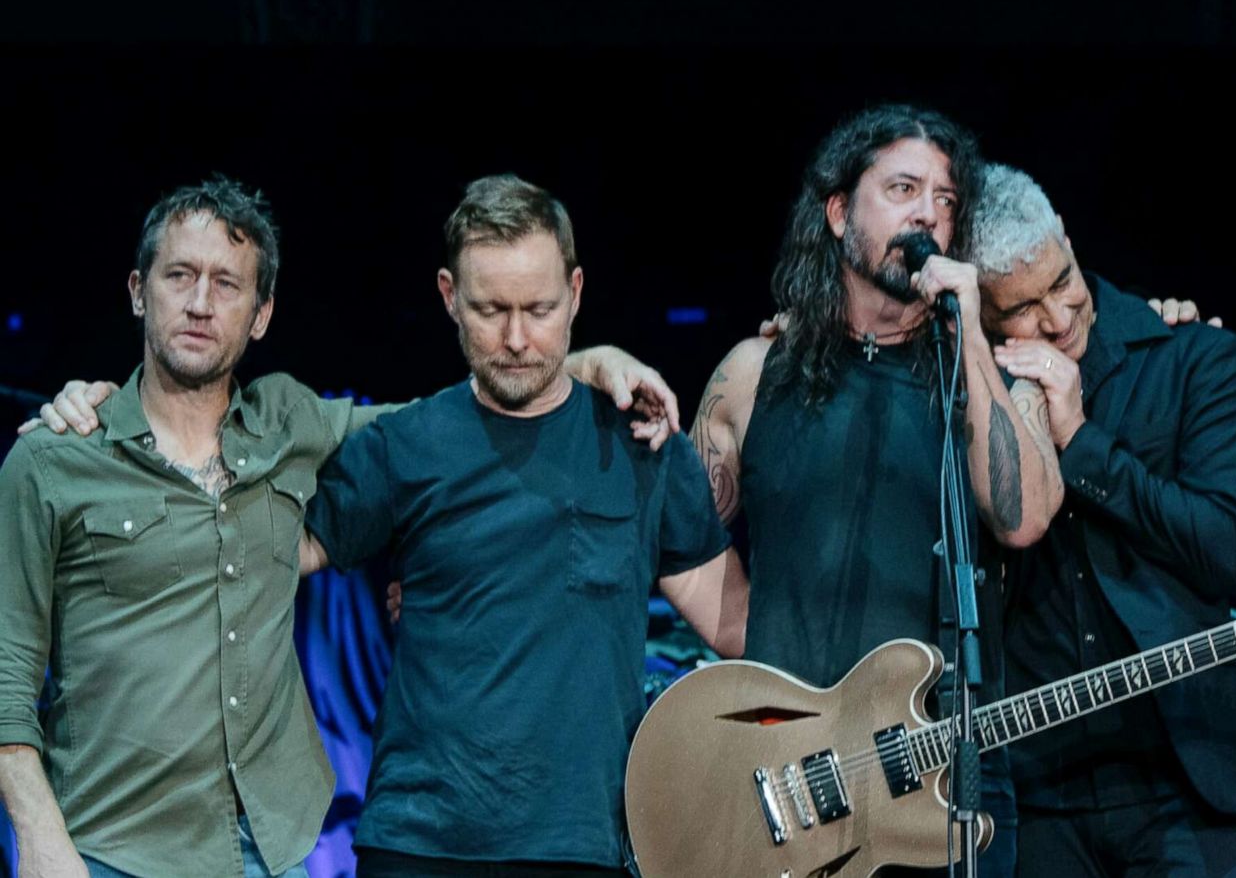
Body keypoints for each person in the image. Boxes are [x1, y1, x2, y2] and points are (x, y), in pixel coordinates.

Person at [297, 174, 743, 877]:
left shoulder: (643, 445)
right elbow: (269, 556)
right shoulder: (404, 443)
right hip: (418, 842)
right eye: (488, 309)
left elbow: (736, 624)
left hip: (582, 844)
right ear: (448, 296)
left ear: (576, 293)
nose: (514, 338)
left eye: (538, 309)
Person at [688, 104, 1064, 876]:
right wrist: (745, 632)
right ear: (837, 212)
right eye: (902, 188)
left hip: (941, 779)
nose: (928, 212)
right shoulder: (755, 374)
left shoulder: (982, 382)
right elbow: (672, 533)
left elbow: (1022, 517)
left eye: (946, 199)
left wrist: (975, 339)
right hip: (788, 774)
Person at [0, 177, 357, 878]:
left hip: (272, 848)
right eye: (180, 276)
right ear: (139, 291)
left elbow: (435, 435)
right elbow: (6, 669)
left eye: (227, 284)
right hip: (108, 851)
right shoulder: (52, 458)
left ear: (261, 315)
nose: (199, 303)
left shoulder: (291, 425)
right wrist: (39, 839)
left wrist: (577, 371)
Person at [968, 163, 1236, 876]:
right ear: (977, 315)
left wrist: (1084, 443)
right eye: (1021, 308)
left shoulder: (1192, 357)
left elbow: (1229, 552)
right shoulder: (966, 402)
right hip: (1034, 792)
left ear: (1068, 240)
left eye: (1061, 280)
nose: (1058, 318)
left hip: (1182, 781)